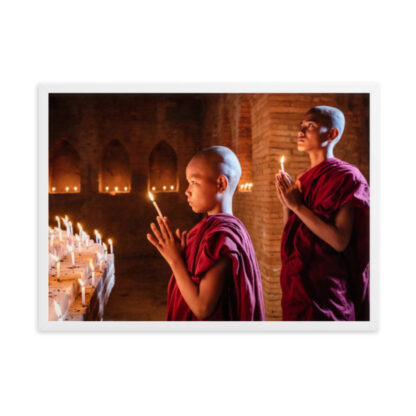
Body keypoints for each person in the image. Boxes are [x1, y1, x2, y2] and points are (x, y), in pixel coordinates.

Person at [147, 146, 265, 321]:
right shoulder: (213, 229)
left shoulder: (221, 237)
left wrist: (174, 260)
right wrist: (183, 256)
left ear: (220, 184)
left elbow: (202, 308)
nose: (187, 190)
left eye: (194, 182)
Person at [275, 105, 369, 321]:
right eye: (301, 126)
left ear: (333, 134)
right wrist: (286, 205)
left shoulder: (347, 177)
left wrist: (298, 206)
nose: (301, 132)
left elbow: (339, 241)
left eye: (311, 125)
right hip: (298, 286)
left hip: (328, 290)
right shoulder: (303, 179)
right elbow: (293, 236)